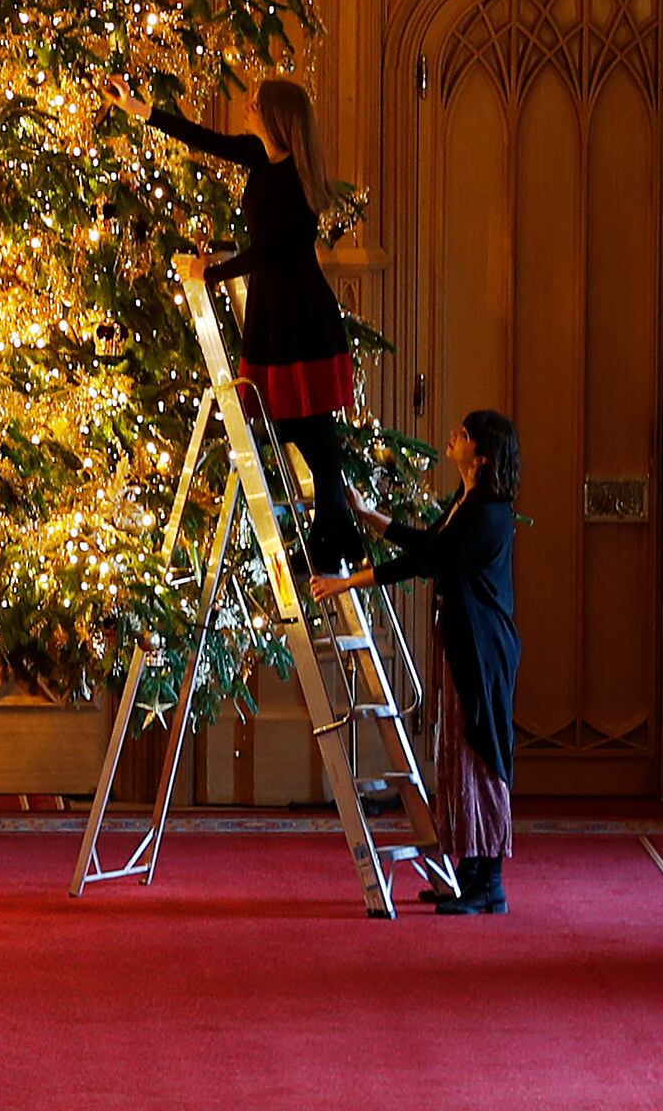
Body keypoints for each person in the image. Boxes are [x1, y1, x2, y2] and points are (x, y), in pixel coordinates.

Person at [151, 78, 366, 570]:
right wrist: (143, 110)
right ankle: (339, 533)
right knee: (295, 422)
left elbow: (270, 251)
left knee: (308, 423)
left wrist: (211, 272)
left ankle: (329, 536)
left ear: (276, 118)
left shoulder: (294, 179)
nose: (246, 107)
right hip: (275, 311)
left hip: (300, 313)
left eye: (256, 104)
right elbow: (204, 138)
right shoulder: (258, 155)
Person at [321, 410, 523, 915]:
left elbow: (427, 561)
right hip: (463, 639)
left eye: (464, 434)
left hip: (483, 648)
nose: (453, 436)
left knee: (480, 754)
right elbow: (429, 542)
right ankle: (471, 871)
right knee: (458, 750)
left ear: (482, 456)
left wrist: (349, 583)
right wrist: (369, 515)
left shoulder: (487, 512)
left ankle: (490, 884)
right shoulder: (466, 501)